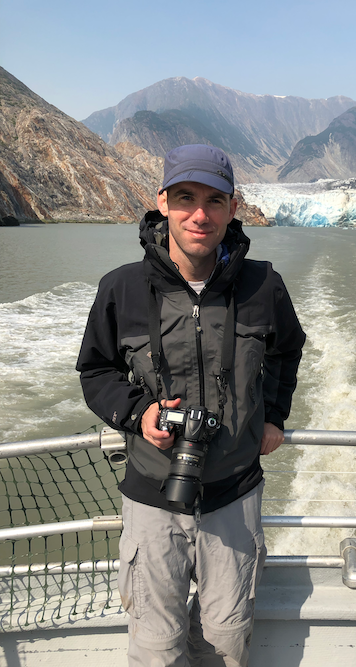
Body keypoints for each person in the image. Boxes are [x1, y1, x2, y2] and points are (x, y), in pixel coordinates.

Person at [76, 144, 305, 667]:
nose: (200, 214)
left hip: (235, 492)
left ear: (233, 207)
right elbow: (95, 371)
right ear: (161, 202)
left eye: (214, 200)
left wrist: (274, 416)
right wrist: (139, 414)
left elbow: (288, 350)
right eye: (185, 198)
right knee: (155, 650)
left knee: (225, 640)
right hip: (153, 495)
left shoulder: (263, 286)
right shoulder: (122, 289)